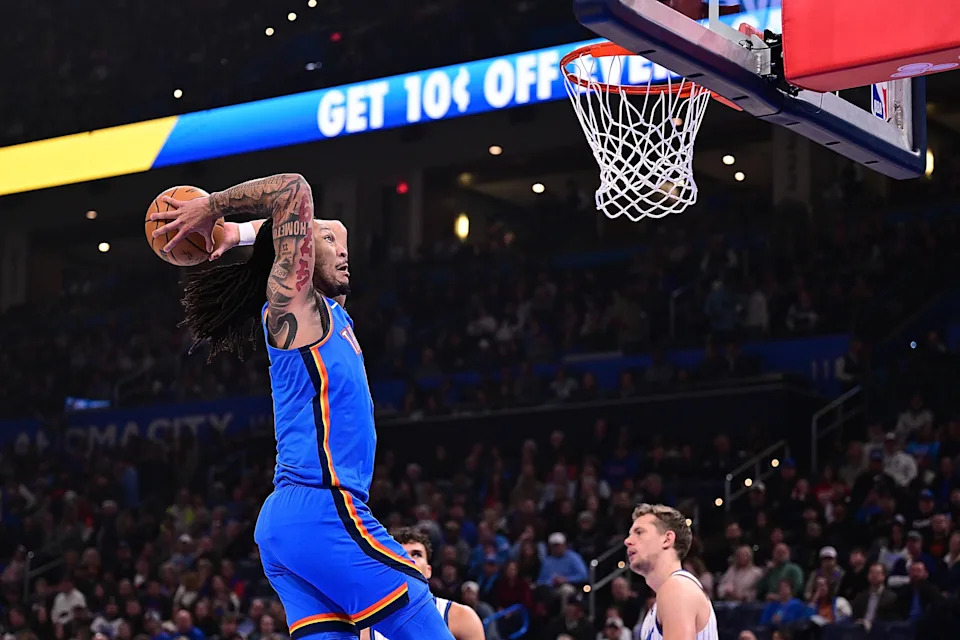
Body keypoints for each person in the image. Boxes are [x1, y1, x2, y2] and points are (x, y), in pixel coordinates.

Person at [149, 173, 454, 640]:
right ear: (297, 256)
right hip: (323, 504)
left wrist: (238, 232)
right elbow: (294, 189)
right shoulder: (293, 307)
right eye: (325, 239)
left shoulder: (334, 313)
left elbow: (322, 219)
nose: (341, 242)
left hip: (290, 525)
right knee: (418, 611)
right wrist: (213, 208)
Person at [361, 527, 484, 640]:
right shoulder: (365, 628)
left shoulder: (461, 617)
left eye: (416, 554)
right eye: (398, 554)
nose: (408, 560)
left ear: (429, 570)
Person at [625, 504, 718, 640]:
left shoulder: (677, 588)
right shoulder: (664, 597)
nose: (627, 541)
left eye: (639, 532)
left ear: (667, 539)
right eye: (630, 534)